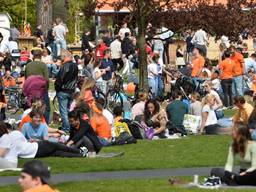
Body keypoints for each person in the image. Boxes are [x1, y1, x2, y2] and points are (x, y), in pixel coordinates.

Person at [55, 49, 78, 132]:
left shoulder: (64, 66)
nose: (61, 59)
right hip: (71, 90)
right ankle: (70, 126)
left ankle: (66, 128)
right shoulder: (75, 65)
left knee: (63, 111)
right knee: (69, 109)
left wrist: (57, 88)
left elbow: (60, 79)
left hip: (63, 90)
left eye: (61, 57)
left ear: (65, 57)